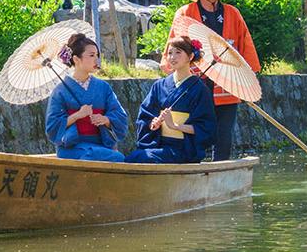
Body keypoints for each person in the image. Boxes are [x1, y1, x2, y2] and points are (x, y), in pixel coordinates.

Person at [163, 0, 260, 161]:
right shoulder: (185, 13)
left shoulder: (233, 14)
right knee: (192, 133)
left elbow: (245, 45)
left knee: (223, 138)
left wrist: (249, 77)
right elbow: (173, 48)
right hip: (195, 87)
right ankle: (189, 170)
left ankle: (220, 175)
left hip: (227, 86)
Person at [128, 37, 215, 164]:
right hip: (158, 143)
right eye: (170, 53)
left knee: (145, 158)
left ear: (190, 56)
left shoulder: (201, 90)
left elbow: (206, 128)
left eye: (178, 52)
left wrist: (174, 126)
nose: (172, 57)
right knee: (134, 157)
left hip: (184, 149)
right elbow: (145, 115)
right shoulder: (159, 85)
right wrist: (154, 123)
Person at [44, 33, 129, 162]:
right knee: (97, 156)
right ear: (76, 59)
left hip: (100, 144)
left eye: (97, 55)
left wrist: (105, 119)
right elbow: (52, 126)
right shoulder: (60, 91)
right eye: (91, 55)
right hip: (72, 147)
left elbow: (120, 115)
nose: (97, 60)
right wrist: (77, 115)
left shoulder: (103, 87)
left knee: (118, 158)